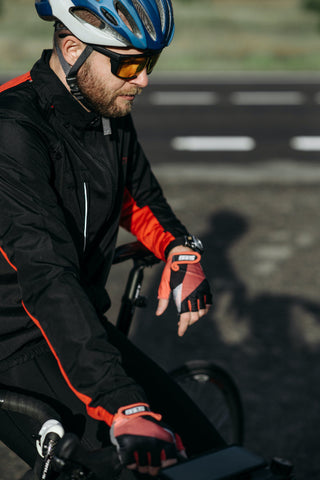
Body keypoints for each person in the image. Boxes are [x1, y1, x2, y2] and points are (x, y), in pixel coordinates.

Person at [0, 0, 224, 476]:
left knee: (206, 457)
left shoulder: (105, 107)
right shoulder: (13, 131)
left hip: (75, 323)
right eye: (129, 62)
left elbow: (138, 198)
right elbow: (47, 276)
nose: (143, 79)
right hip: (15, 342)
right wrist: (123, 404)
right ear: (73, 47)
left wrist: (181, 250)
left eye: (151, 61)